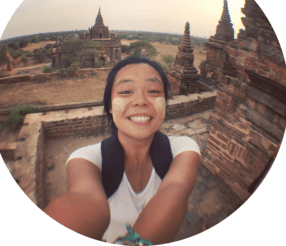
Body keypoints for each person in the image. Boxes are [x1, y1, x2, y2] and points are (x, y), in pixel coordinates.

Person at [44, 56, 200, 245]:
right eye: (126, 91)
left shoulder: (182, 149)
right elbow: (84, 200)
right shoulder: (86, 160)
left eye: (153, 91)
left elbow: (176, 189)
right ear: (109, 106)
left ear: (165, 104)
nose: (141, 101)